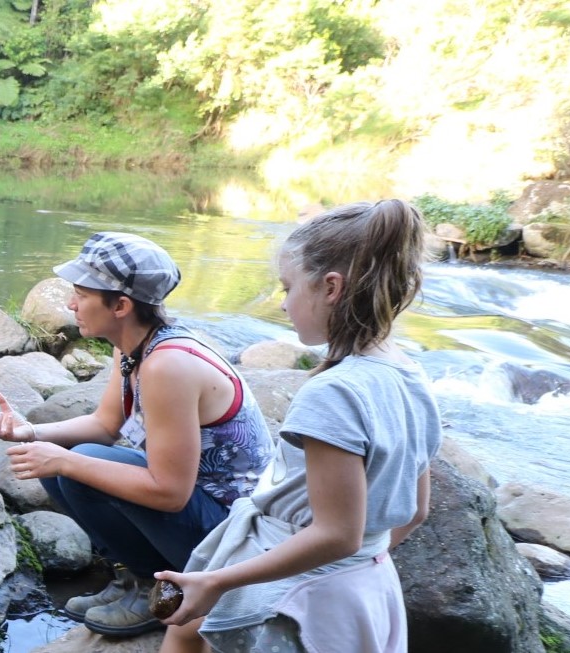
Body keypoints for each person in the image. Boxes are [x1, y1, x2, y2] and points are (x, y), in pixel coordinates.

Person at [154, 201, 441, 653]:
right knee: (187, 630)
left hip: (307, 596)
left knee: (188, 628)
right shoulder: (409, 374)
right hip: (368, 582)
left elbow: (335, 534)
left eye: (287, 288)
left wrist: (217, 581)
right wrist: (362, 559)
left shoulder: (334, 393)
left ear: (330, 287)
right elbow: (416, 510)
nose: (283, 303)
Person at [0, 232, 273, 636]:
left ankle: (157, 587)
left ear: (122, 305)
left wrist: (65, 459)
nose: (70, 304)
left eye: (80, 294)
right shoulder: (132, 346)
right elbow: (104, 425)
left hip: (235, 539)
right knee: (64, 457)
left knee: (75, 461)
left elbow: (171, 493)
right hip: (202, 514)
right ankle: (134, 576)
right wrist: (30, 432)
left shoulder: (169, 365)